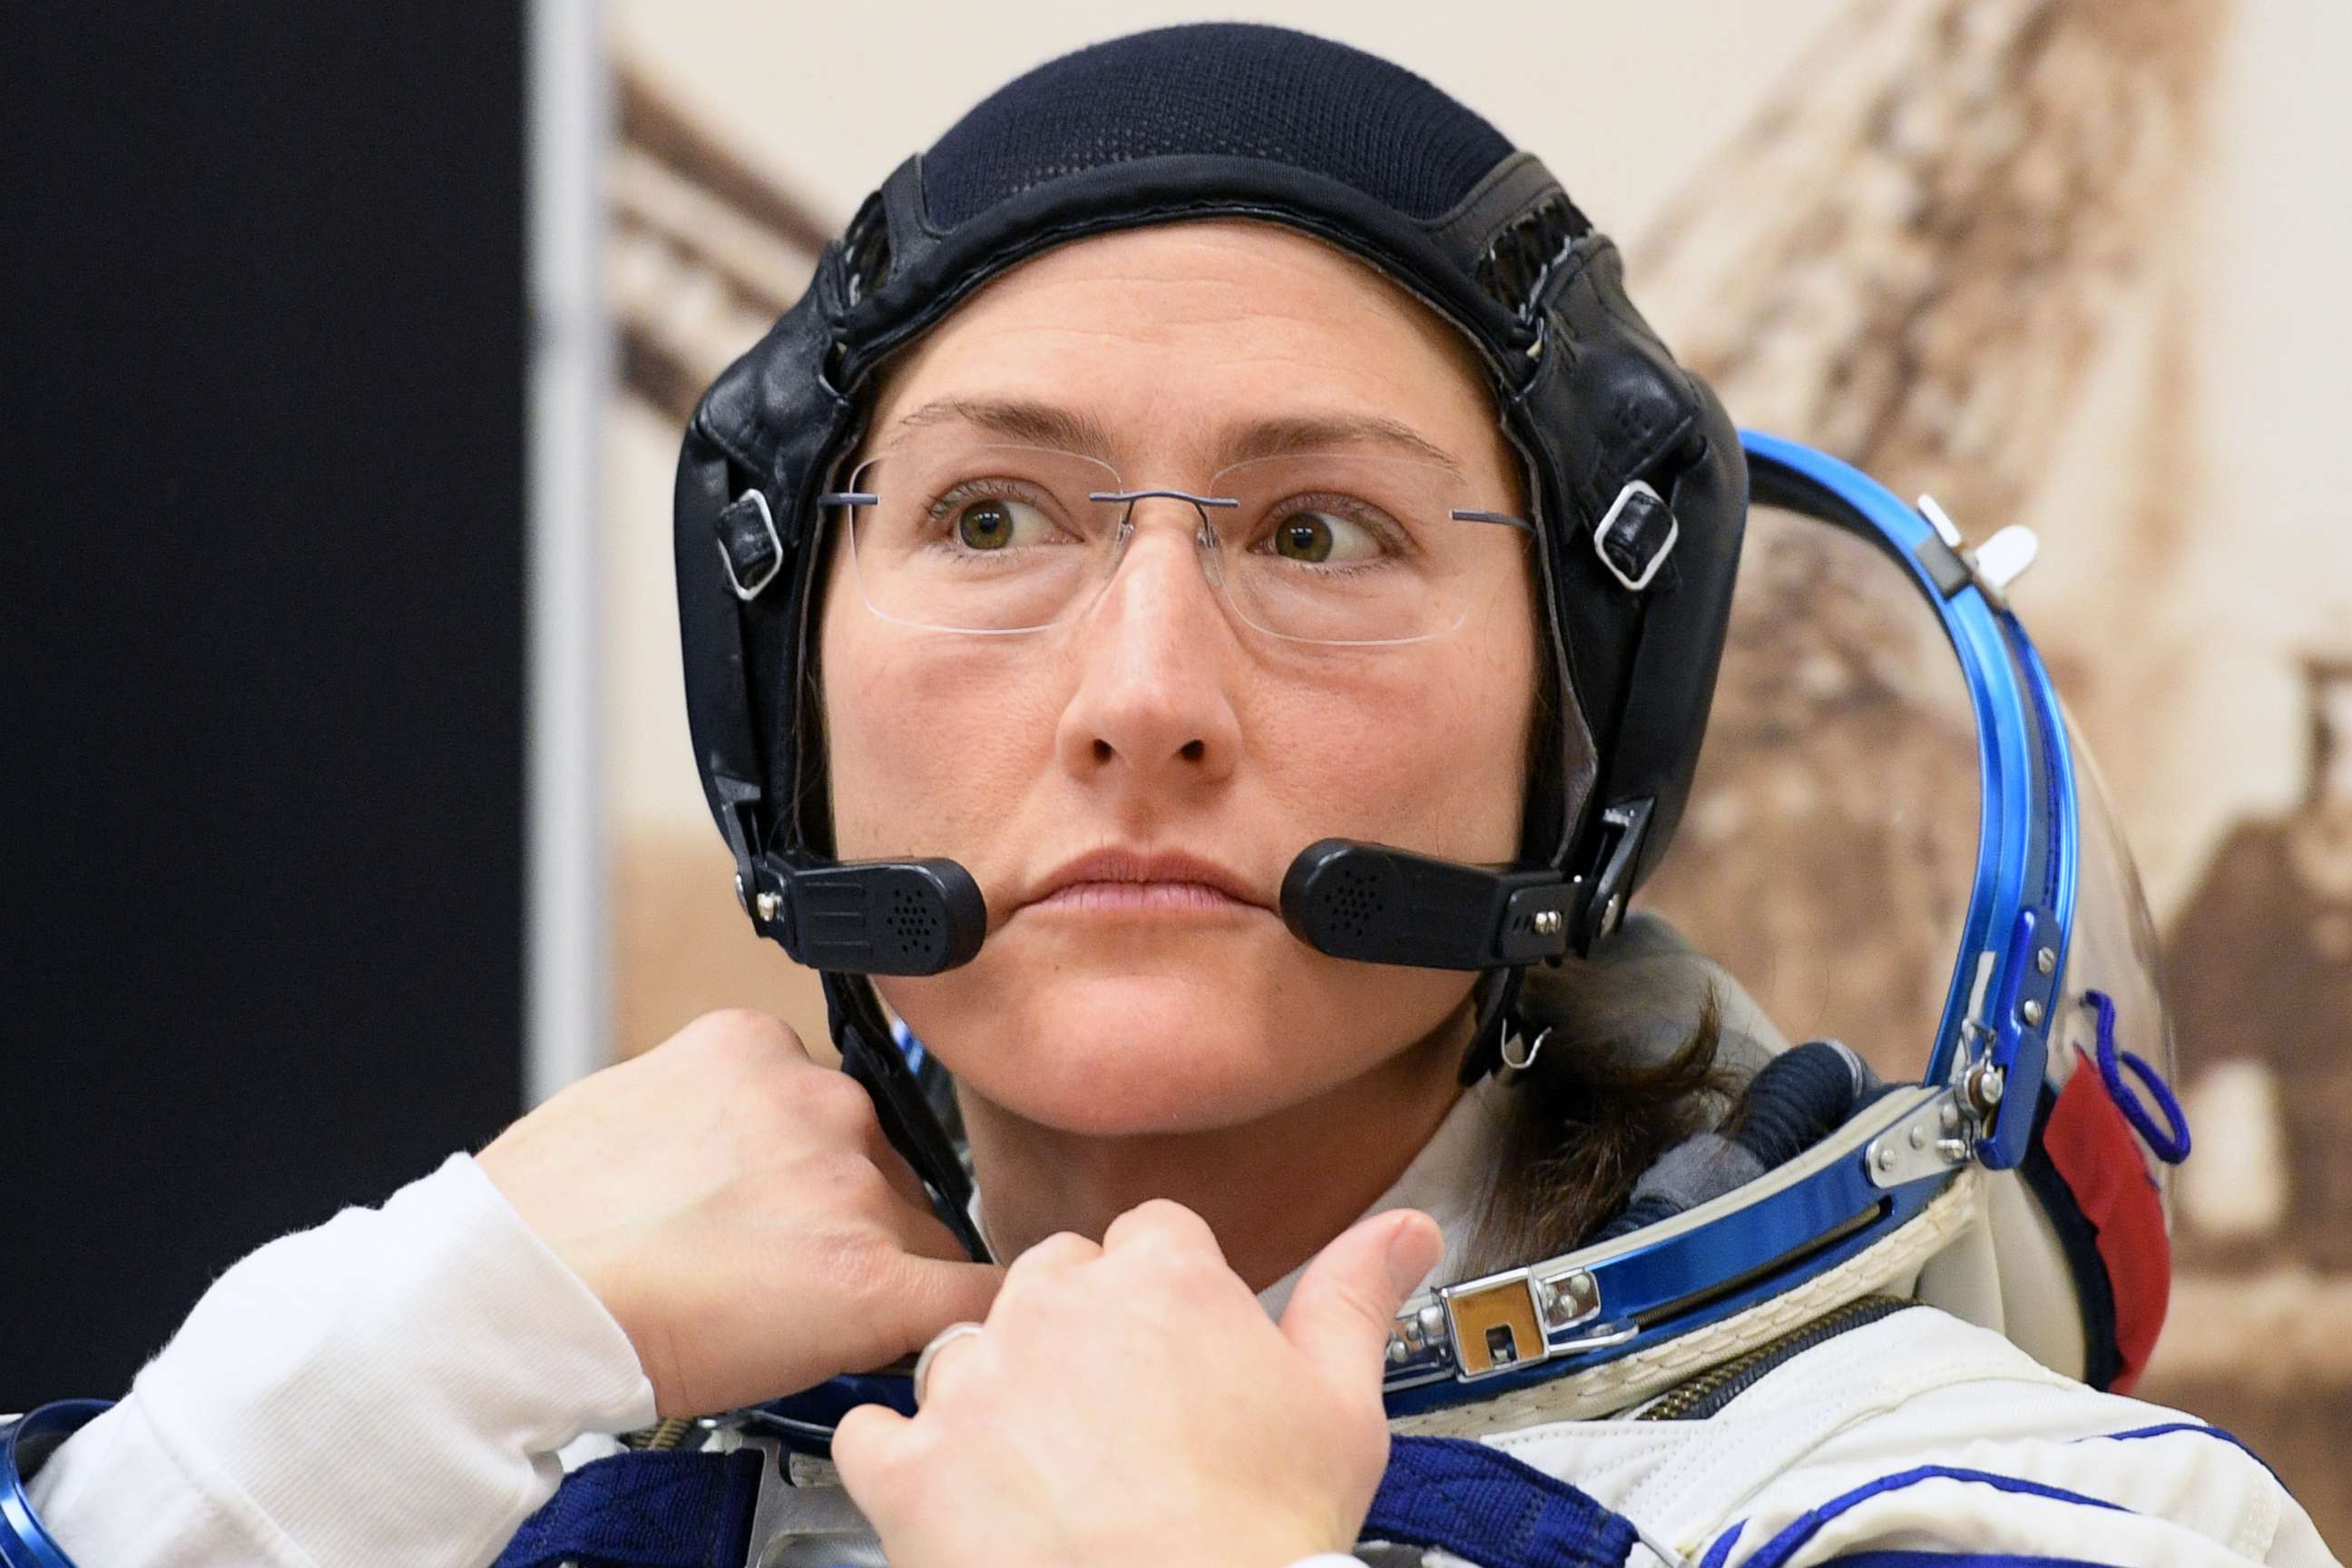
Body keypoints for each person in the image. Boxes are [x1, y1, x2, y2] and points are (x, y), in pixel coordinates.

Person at [6, 23, 2336, 1568]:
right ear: (789, 673)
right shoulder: (481, 1418)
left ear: (1583, 727)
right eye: (991, 520)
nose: (1142, 696)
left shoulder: (1996, 1513)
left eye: (1318, 533)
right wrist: (372, 1386)